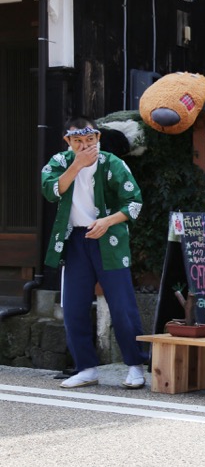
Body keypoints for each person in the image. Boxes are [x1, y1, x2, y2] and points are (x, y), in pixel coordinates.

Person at [41, 116, 148, 389]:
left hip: (109, 237)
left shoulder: (112, 163)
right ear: (68, 141)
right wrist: (77, 165)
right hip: (75, 239)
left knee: (121, 305)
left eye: (90, 140)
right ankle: (86, 368)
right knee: (73, 306)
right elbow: (51, 191)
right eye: (78, 141)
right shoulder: (60, 162)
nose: (86, 145)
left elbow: (134, 201)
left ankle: (135, 366)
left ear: (98, 138)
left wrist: (107, 221)